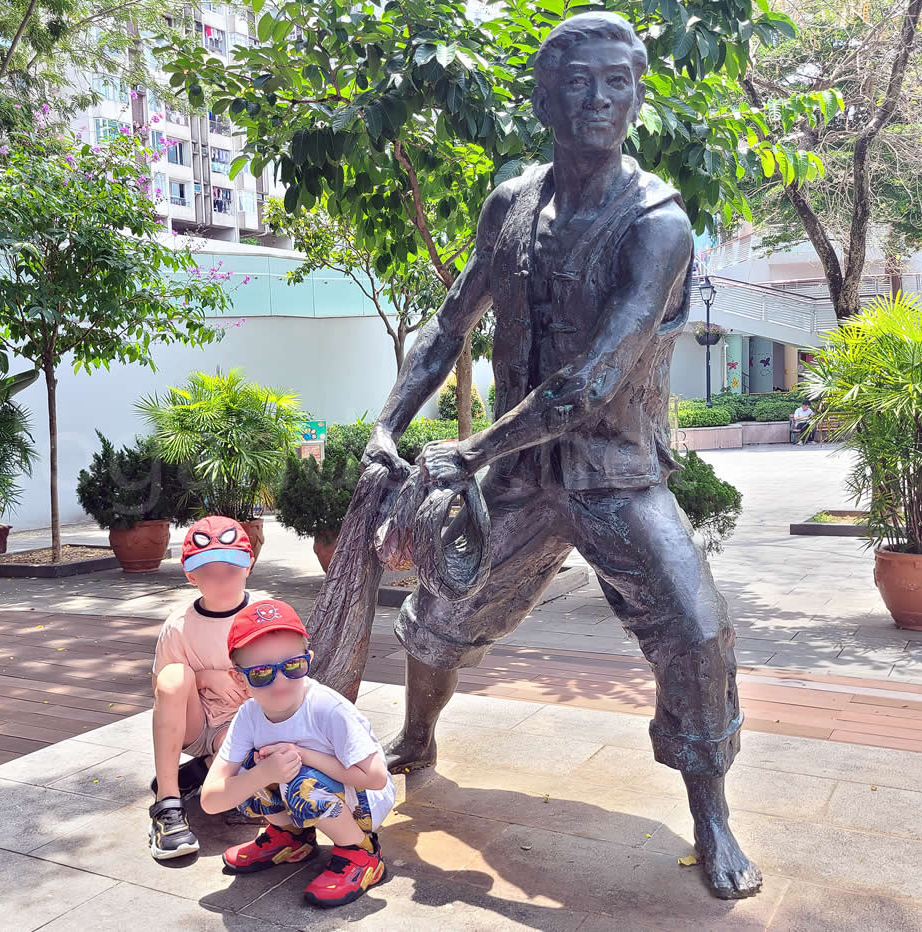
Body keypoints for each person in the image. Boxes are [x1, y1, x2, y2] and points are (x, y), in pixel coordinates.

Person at [356, 11, 761, 899]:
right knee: (442, 611)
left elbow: (595, 381)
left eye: (617, 81)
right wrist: (389, 423)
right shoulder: (510, 204)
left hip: (617, 474)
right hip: (524, 477)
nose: (598, 99)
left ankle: (712, 816)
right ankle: (420, 737)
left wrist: (468, 450)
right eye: (578, 81)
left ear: (637, 95)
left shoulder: (658, 222)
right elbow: (447, 325)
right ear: (544, 99)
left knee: (696, 630)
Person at [201, 599, 396, 908]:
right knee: (248, 769)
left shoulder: (327, 709)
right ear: (239, 679)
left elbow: (375, 777)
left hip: (363, 802)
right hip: (311, 788)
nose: (280, 681)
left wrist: (304, 755)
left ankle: (360, 851)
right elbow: (211, 799)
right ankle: (290, 837)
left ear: (308, 660)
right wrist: (263, 773)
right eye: (262, 673)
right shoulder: (249, 715)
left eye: (292, 666)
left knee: (298, 780)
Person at [147, 516, 257, 861]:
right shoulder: (180, 626)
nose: (221, 580)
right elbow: (162, 690)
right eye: (209, 572)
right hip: (195, 724)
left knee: (250, 775)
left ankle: (210, 766)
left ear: (248, 566)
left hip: (243, 726)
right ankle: (168, 805)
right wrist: (204, 677)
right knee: (174, 676)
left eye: (231, 568)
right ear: (191, 577)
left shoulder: (264, 614)